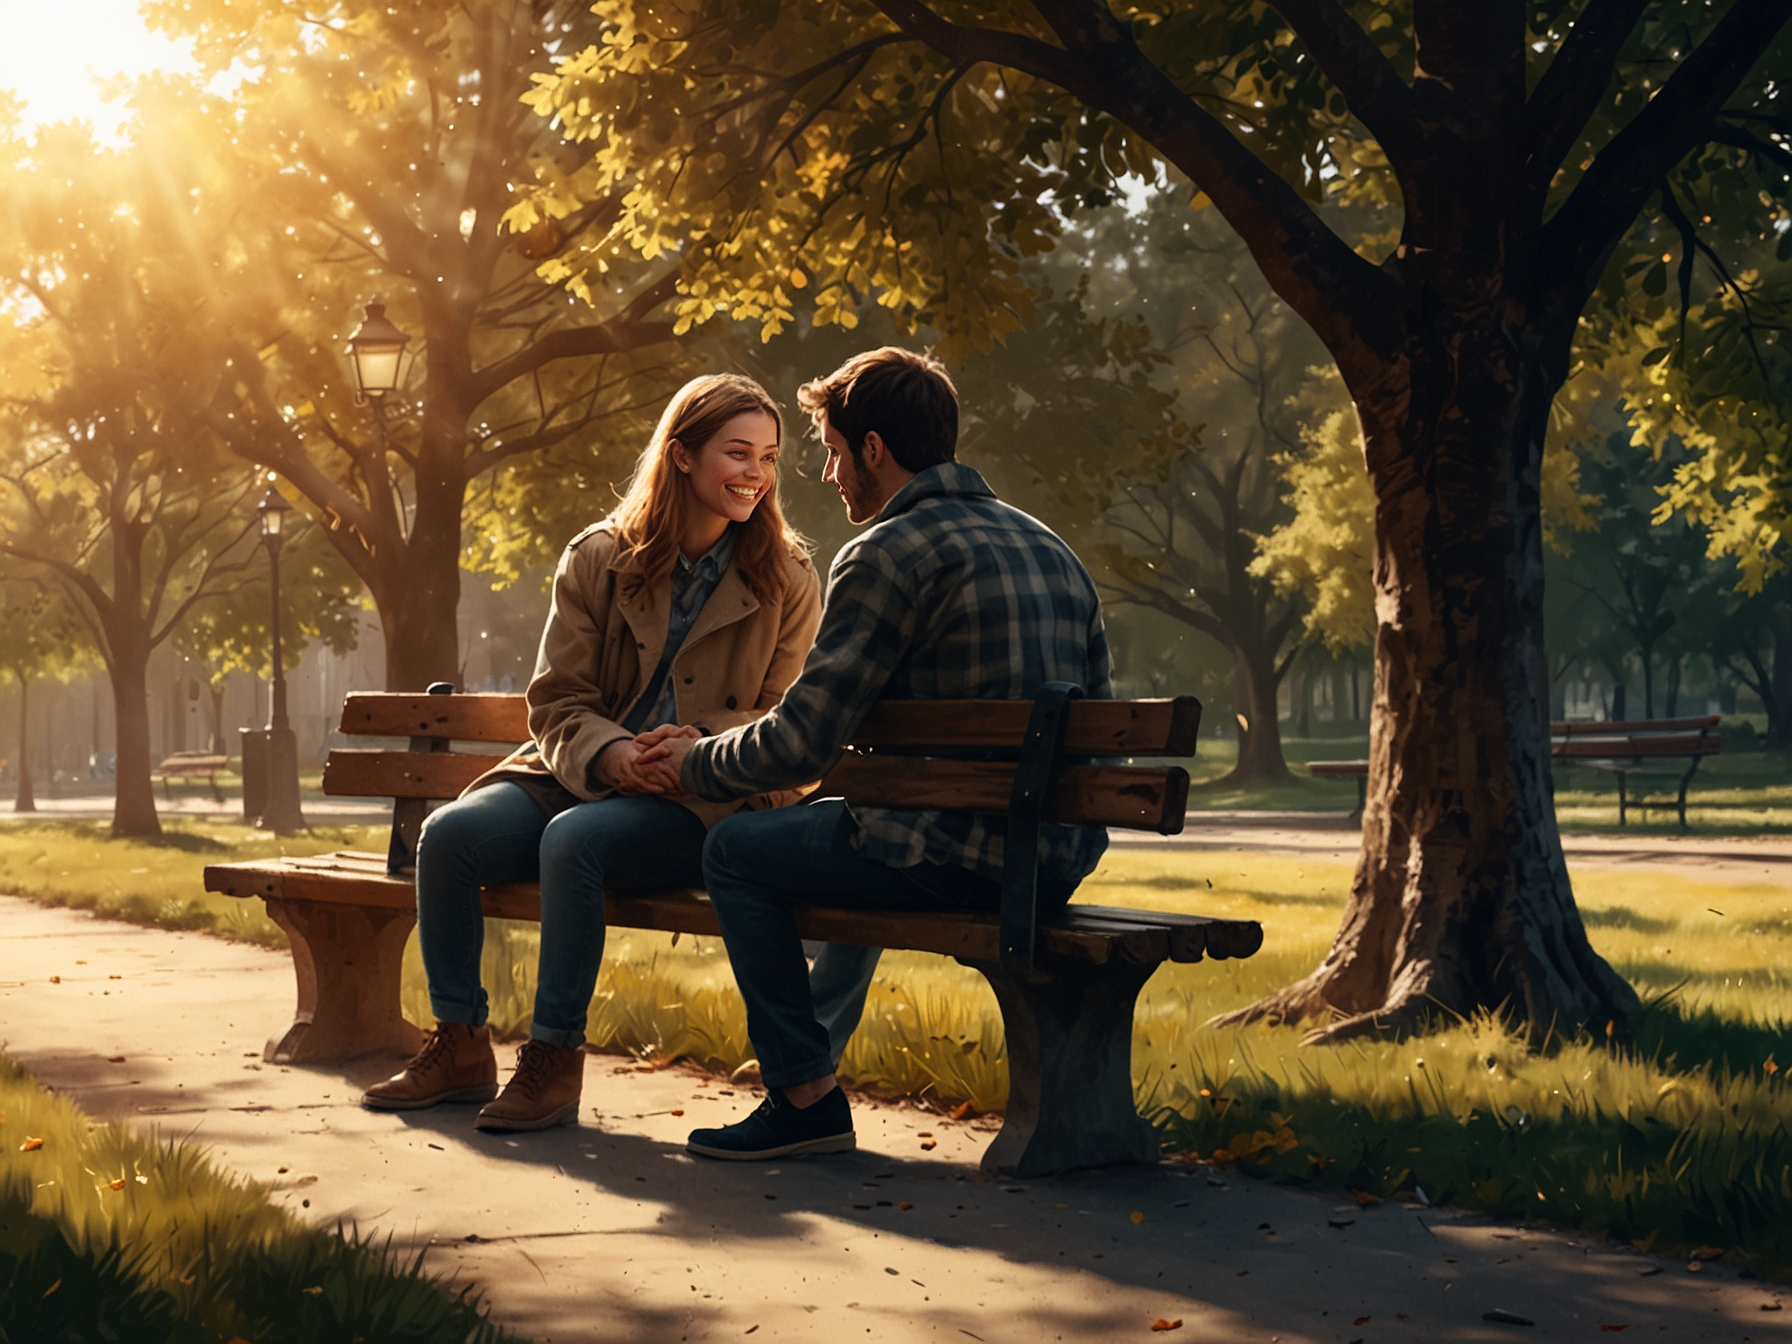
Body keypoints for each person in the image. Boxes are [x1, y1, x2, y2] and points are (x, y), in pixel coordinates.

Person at [632, 347, 1112, 1160]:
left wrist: (692, 762)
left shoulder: (888, 551)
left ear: (875, 449)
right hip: (1055, 853)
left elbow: (802, 741)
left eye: (831, 449)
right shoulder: (1048, 546)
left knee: (741, 850)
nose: (826, 473)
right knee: (839, 826)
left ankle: (804, 1096)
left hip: (952, 853)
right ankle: (819, 1064)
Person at [361, 374, 821, 1131]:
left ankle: (552, 1060)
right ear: (680, 456)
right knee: (448, 834)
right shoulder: (599, 558)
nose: (755, 474)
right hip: (576, 771)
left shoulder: (788, 578)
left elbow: (786, 715)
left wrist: (696, 749)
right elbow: (558, 699)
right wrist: (611, 758)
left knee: (574, 841)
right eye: (737, 453)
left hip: (699, 795)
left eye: (768, 458)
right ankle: (460, 1043)